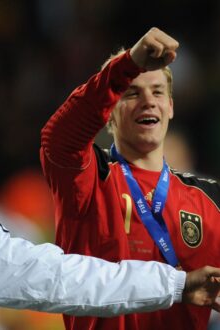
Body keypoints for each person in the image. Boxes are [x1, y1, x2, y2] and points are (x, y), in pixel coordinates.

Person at [0, 62, 219, 330]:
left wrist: (177, 284)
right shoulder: (96, 179)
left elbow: (65, 277)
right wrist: (124, 67)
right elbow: (61, 140)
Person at [40, 27, 220, 330]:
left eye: (158, 92)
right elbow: (57, 138)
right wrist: (128, 64)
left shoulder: (209, 199)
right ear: (109, 112)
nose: (148, 101)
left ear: (171, 107)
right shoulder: (89, 178)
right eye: (132, 93)